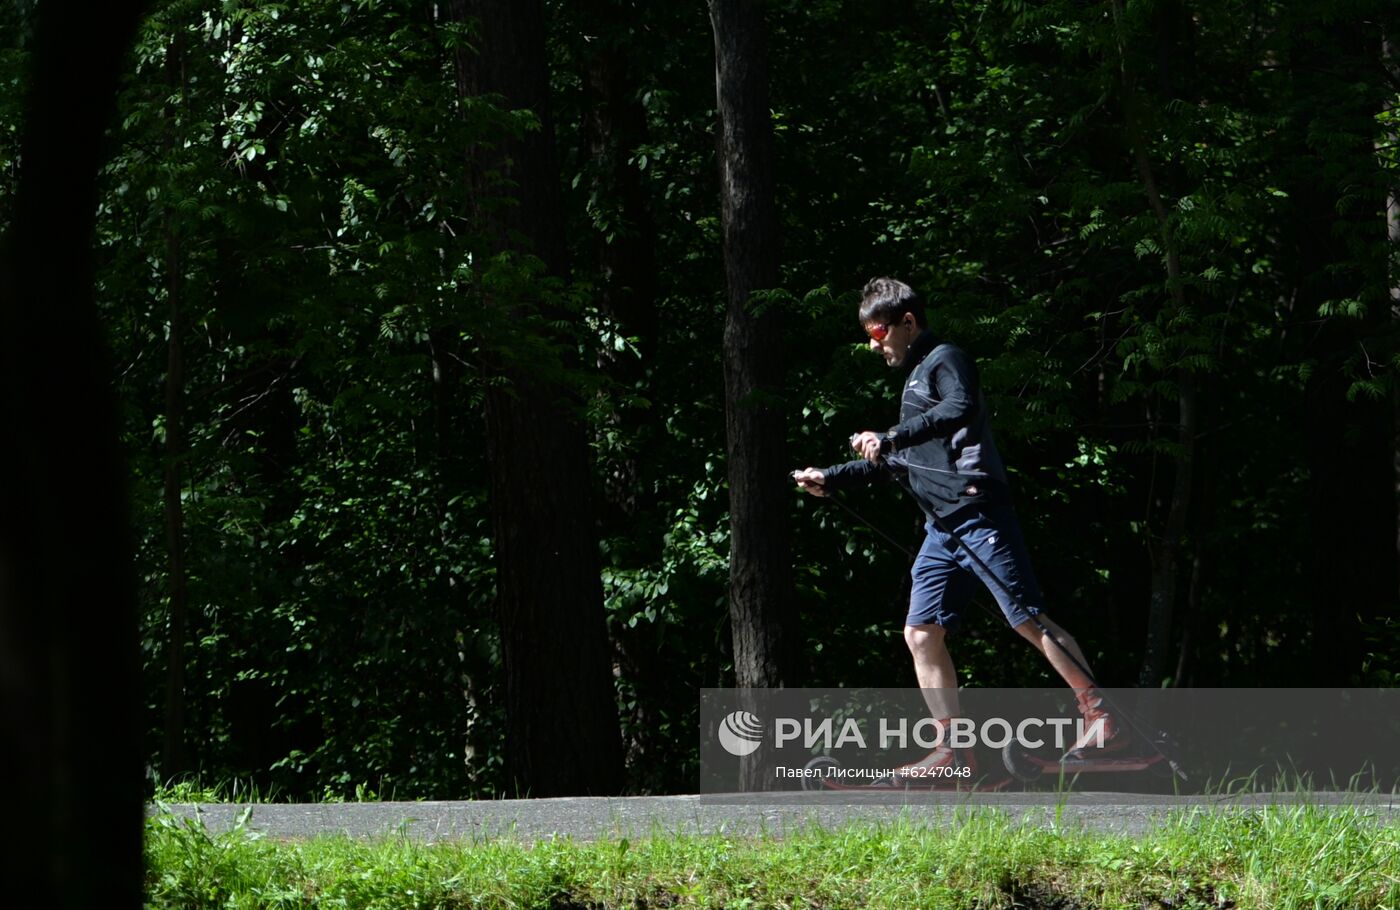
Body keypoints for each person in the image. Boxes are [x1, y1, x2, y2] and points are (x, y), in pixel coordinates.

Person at [792, 277, 1123, 778]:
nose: (874, 344)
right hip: (940, 528)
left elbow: (960, 407)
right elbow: (900, 462)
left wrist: (892, 434)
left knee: (1026, 618)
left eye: (878, 332)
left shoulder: (945, 359)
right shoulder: (913, 384)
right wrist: (831, 478)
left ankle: (1103, 721)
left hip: (978, 511)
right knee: (921, 635)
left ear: (907, 322)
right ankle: (954, 752)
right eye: (868, 335)